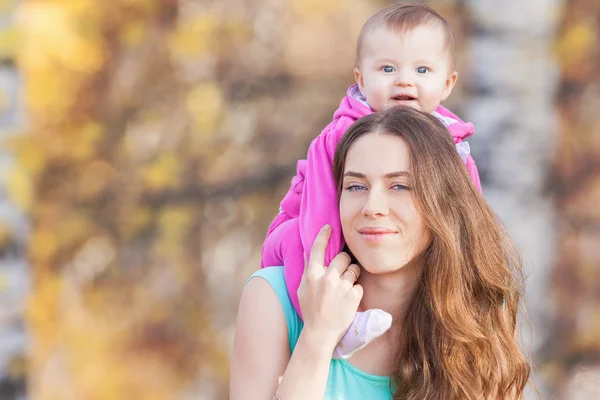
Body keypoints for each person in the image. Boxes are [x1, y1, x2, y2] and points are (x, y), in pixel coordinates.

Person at [231, 106, 530, 399]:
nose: (372, 207)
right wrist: (317, 337)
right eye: (356, 186)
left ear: (445, 202)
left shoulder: (480, 309)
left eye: (400, 186)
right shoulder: (274, 297)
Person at [261, 2, 481, 359]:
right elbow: (322, 211)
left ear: (447, 83)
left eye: (422, 69)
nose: (404, 80)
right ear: (361, 78)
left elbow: (469, 207)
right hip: (312, 232)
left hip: (392, 263)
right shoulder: (342, 134)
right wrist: (328, 274)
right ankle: (338, 328)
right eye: (387, 68)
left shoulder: (452, 142)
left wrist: (468, 267)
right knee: (300, 246)